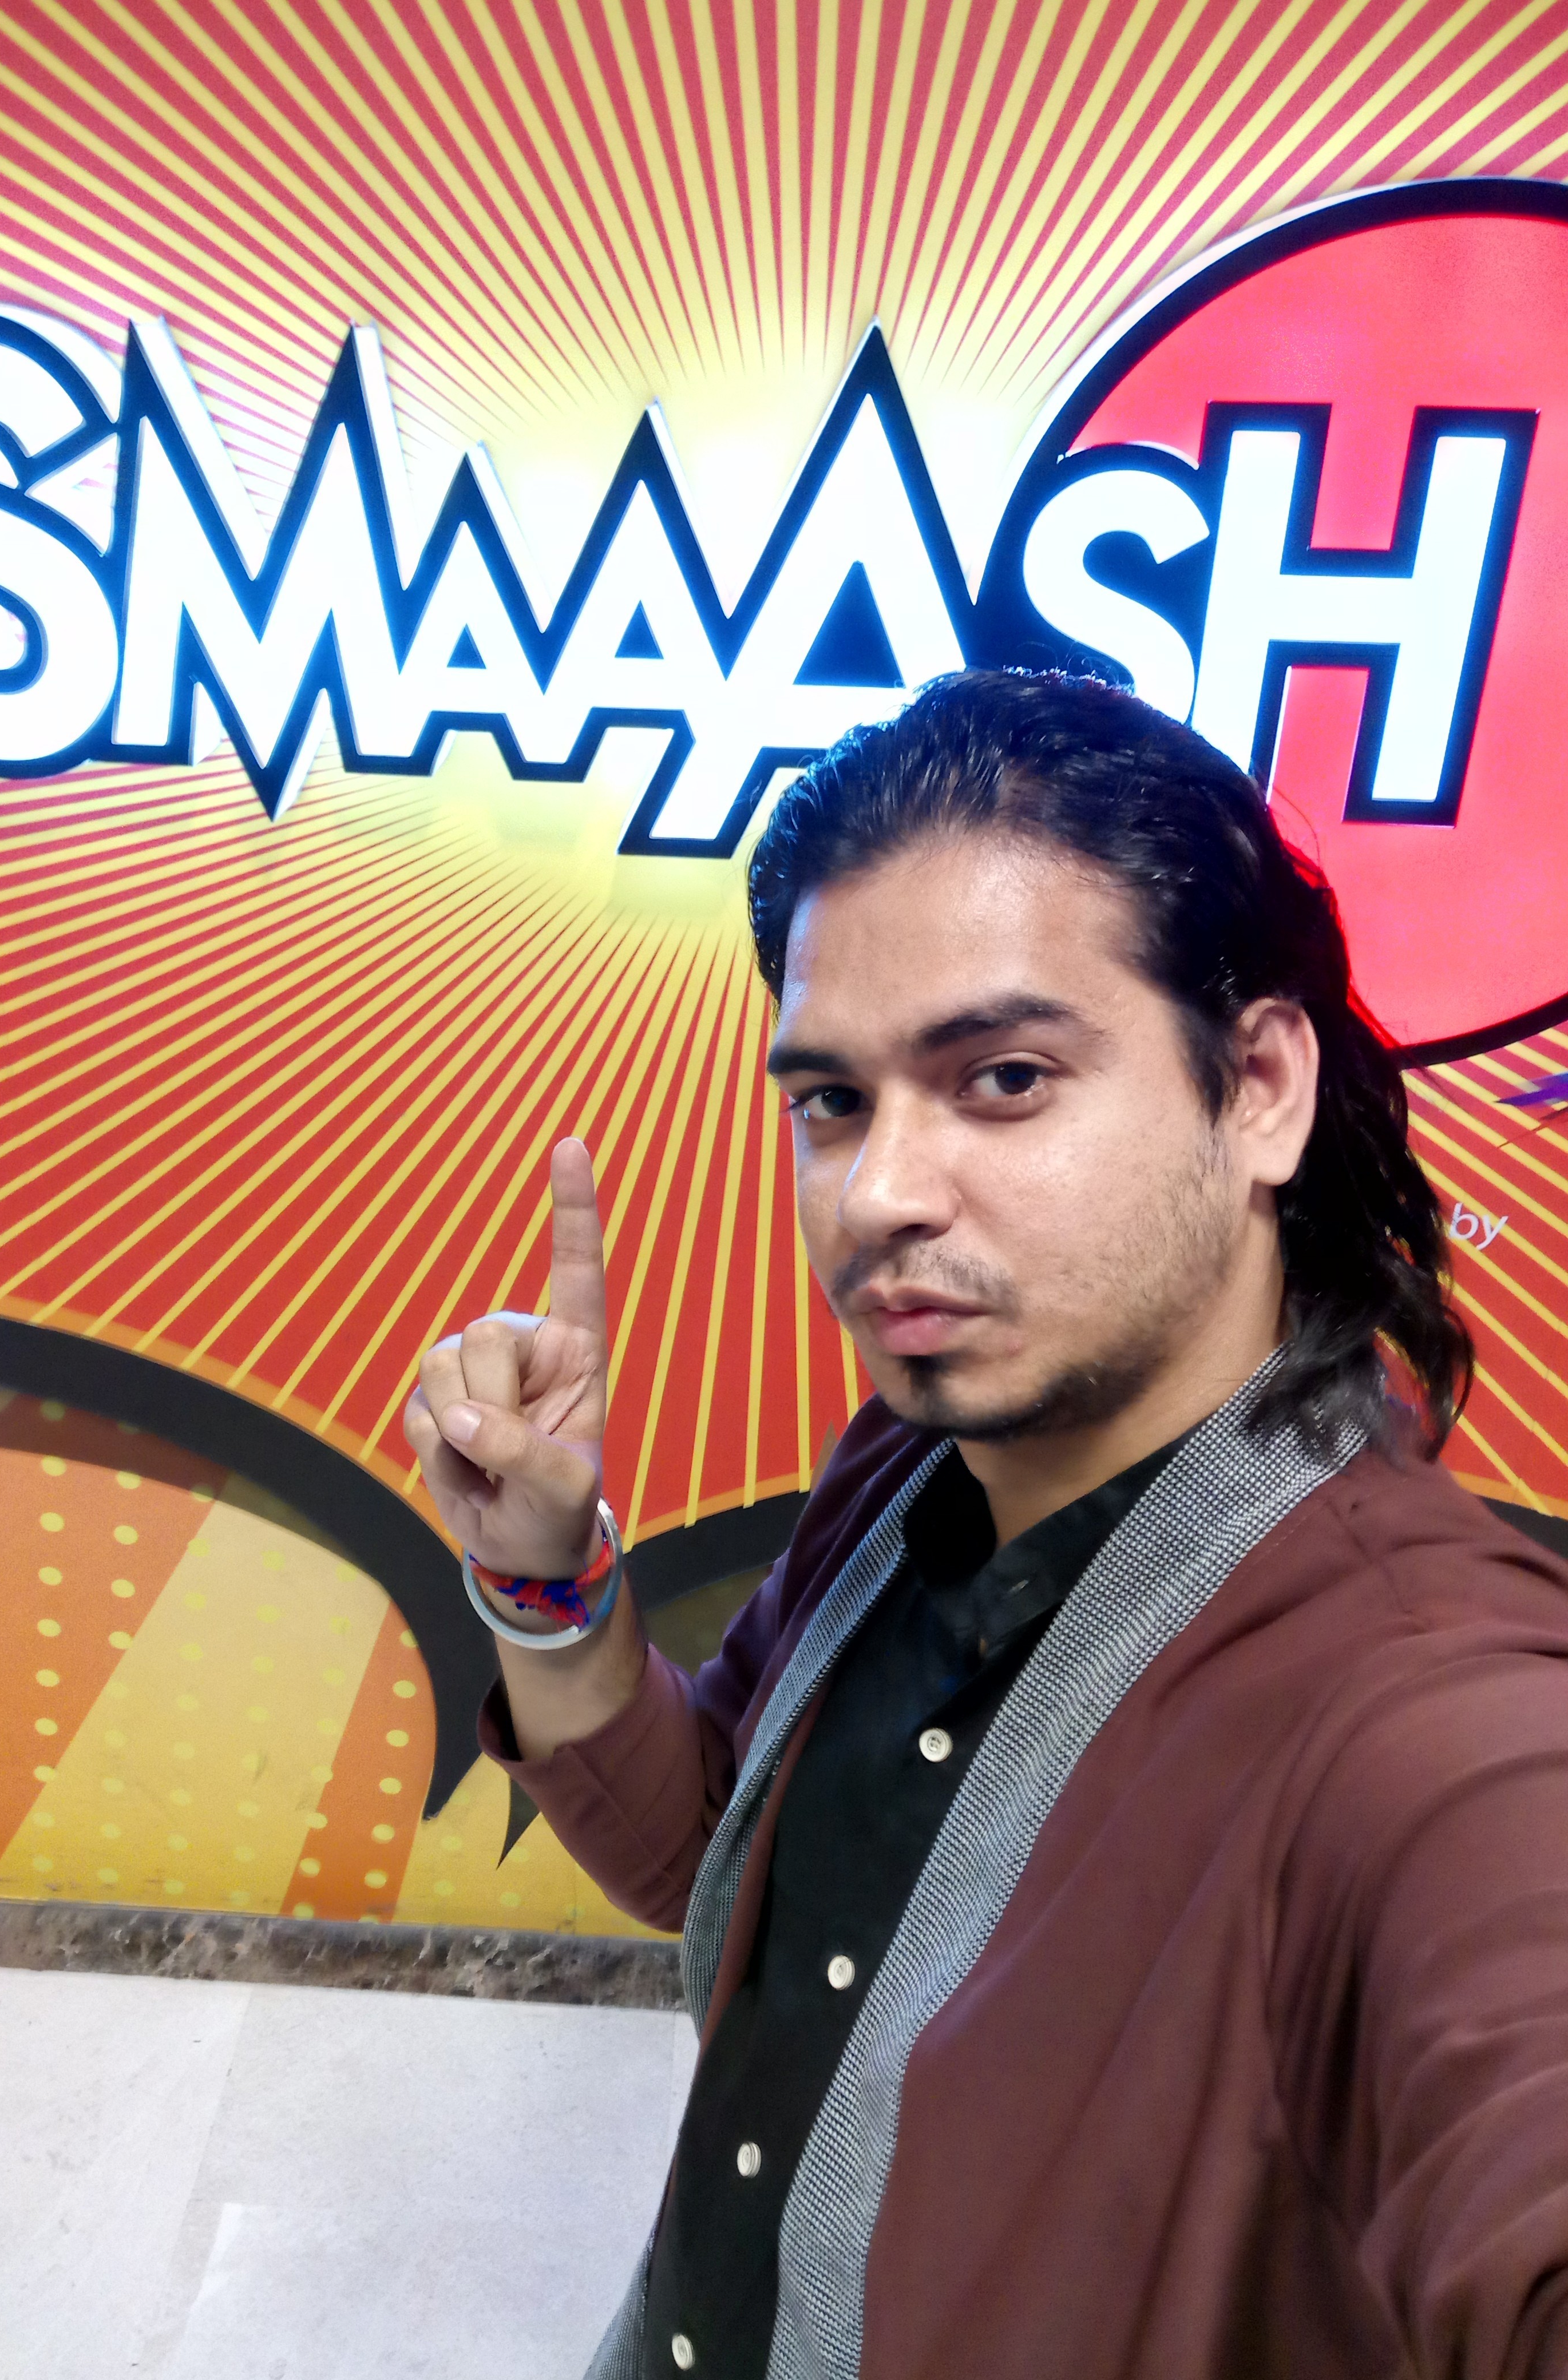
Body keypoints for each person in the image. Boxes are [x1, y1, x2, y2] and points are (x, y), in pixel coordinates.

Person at [403, 669, 1568, 2380]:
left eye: (1005, 1077)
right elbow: (718, 1857)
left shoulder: (1420, 1712)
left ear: (1257, 1086)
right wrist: (545, 1573)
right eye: (832, 1101)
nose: (878, 1193)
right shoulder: (907, 1469)